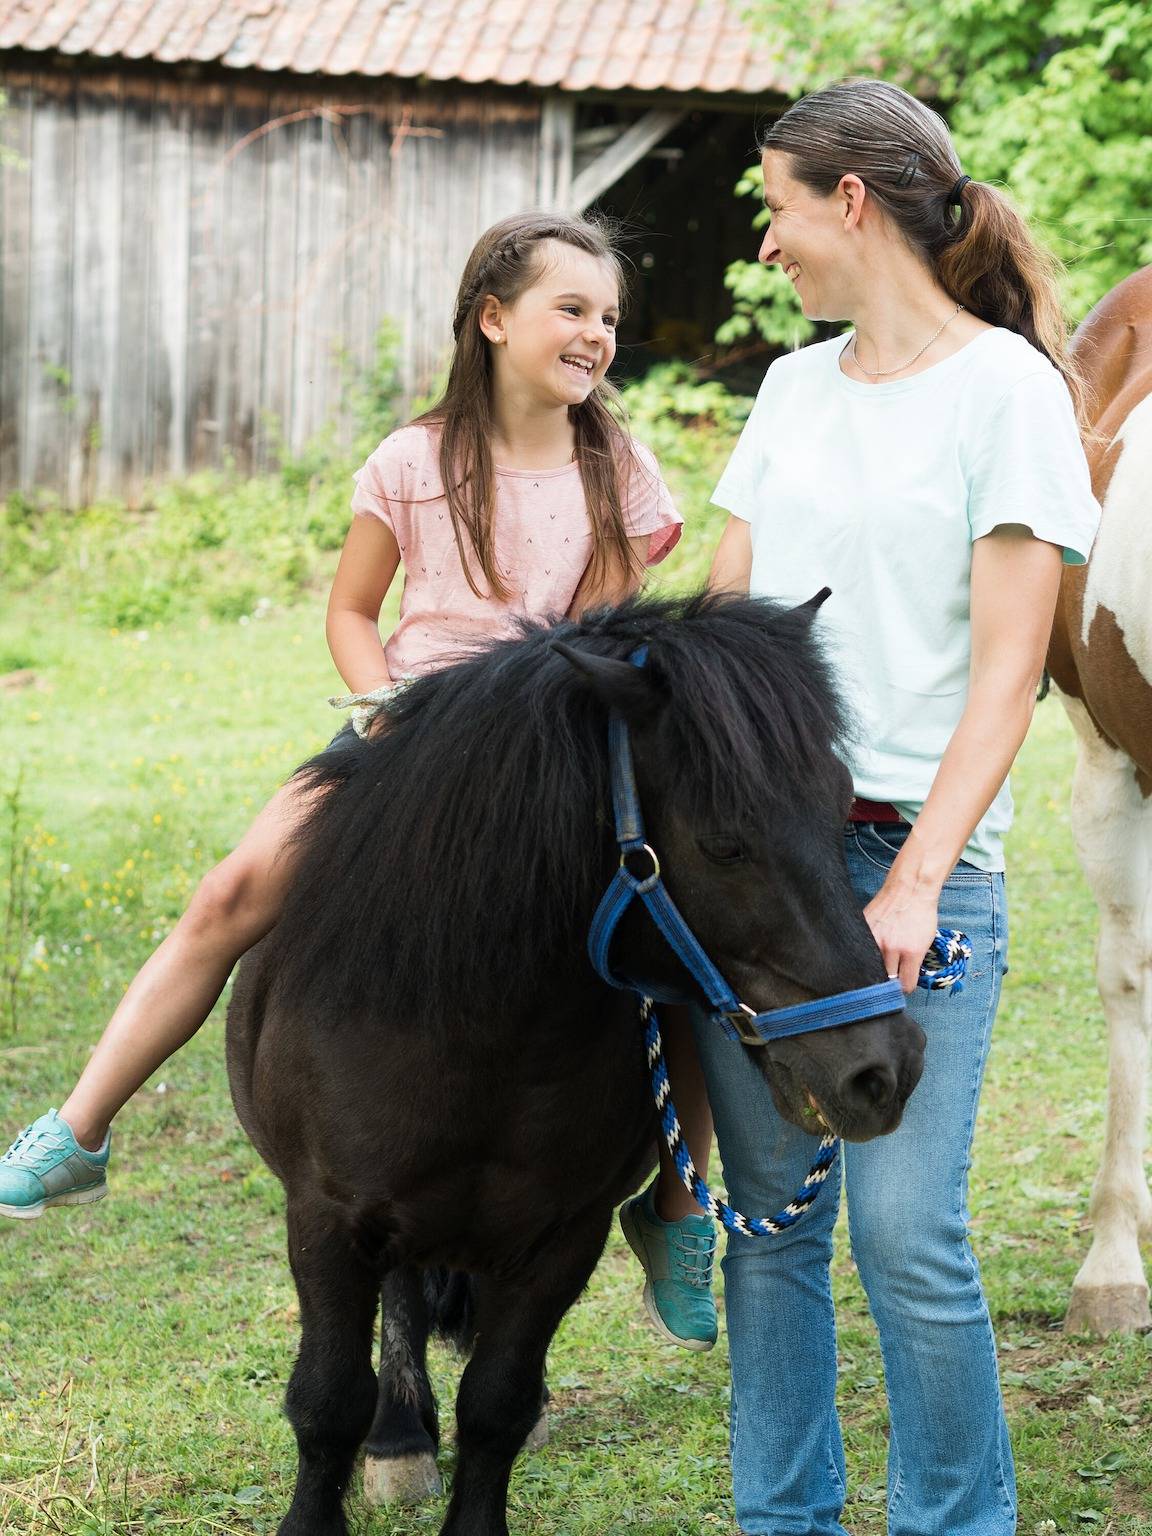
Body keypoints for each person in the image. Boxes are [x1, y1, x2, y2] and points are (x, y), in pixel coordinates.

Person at [0, 212, 699, 1275]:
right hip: (402, 724)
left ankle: (680, 1205)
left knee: (686, 934)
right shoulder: (416, 459)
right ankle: (81, 1127)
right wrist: (381, 702)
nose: (597, 333)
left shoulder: (619, 470)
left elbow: (589, 642)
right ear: (494, 318)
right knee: (230, 894)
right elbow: (351, 610)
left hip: (548, 741)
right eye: (572, 308)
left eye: (608, 316)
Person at [689, 79, 1100, 1535]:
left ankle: (956, 1522)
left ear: (849, 203)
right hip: (764, 867)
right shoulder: (793, 388)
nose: (769, 243)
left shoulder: (1008, 392)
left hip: (912, 859)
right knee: (773, 1232)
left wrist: (919, 880)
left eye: (778, 209)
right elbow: (725, 622)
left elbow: (1006, 679)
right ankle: (781, 1521)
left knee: (909, 1235)